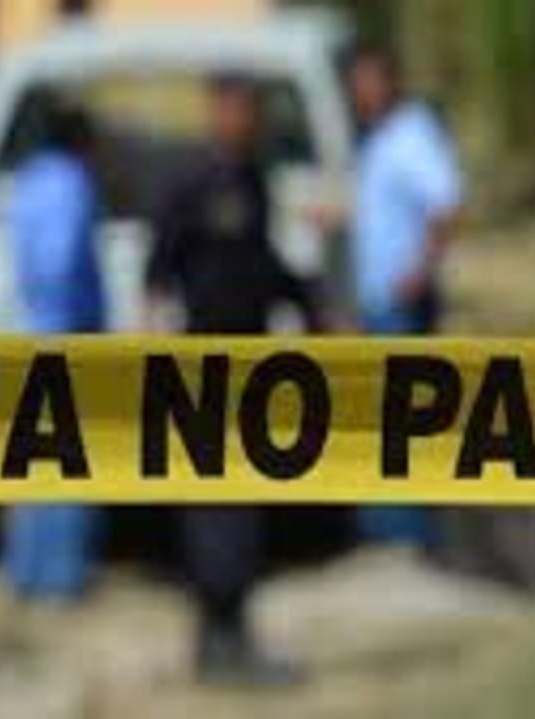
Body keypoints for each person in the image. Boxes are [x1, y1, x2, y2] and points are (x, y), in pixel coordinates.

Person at [145, 75, 316, 686]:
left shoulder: (255, 180)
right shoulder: (190, 183)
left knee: (242, 504)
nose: (247, 120)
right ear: (216, 110)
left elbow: (265, 266)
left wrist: (315, 309)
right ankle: (219, 639)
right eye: (238, 108)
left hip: (253, 366)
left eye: (253, 110)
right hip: (203, 367)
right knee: (217, 505)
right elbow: (157, 274)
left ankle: (231, 634)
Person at [347, 47, 464, 548]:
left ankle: (408, 536)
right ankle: (386, 531)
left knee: (403, 424)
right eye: (356, 82)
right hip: (378, 303)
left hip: (401, 305)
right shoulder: (379, 139)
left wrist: (419, 271)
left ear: (390, 82)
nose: (360, 92)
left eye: (368, 81)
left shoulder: (411, 136)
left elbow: (447, 205)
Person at [0, 97, 105, 602]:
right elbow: (60, 260)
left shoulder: (29, 182)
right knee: (67, 459)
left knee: (32, 457)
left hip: (32, 328)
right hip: (66, 334)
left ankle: (25, 571)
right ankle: (61, 576)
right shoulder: (72, 185)